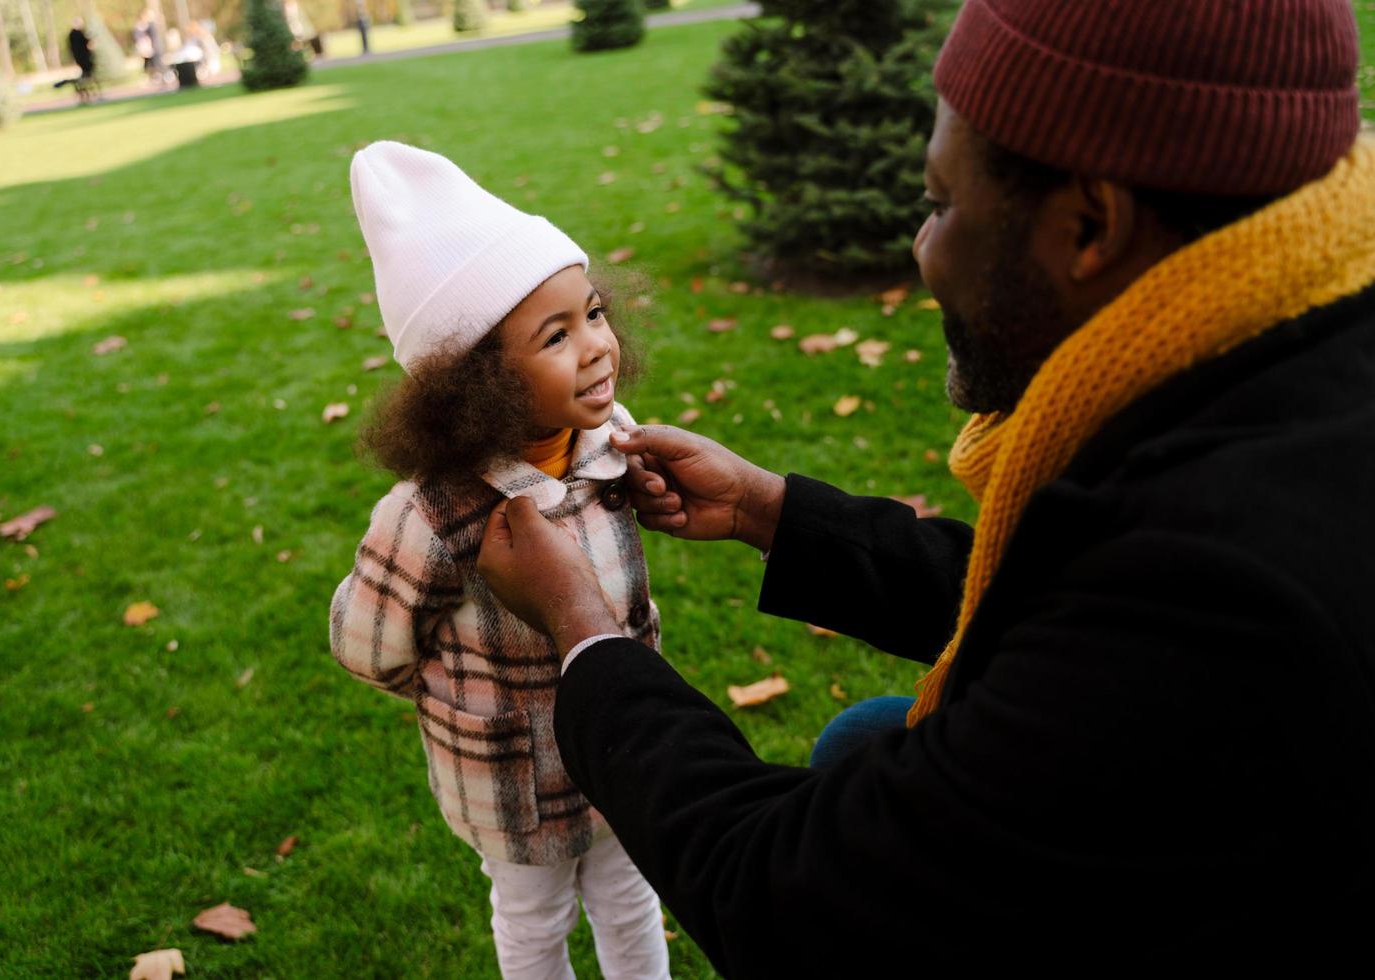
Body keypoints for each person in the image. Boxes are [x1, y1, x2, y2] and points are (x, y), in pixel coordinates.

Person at [475, 0, 1375, 970]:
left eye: (942, 204)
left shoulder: (1227, 584)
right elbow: (1059, 598)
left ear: (1090, 224)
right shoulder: (1287, 350)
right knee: (868, 736)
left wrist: (585, 633)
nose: (919, 246)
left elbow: (793, 900)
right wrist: (772, 511)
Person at [329, 142, 670, 980]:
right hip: (512, 782)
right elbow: (367, 644)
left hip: (625, 743)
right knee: (532, 916)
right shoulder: (436, 515)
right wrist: (456, 693)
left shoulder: (606, 439)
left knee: (632, 892)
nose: (596, 345)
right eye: (556, 335)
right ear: (473, 384)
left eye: (593, 312)